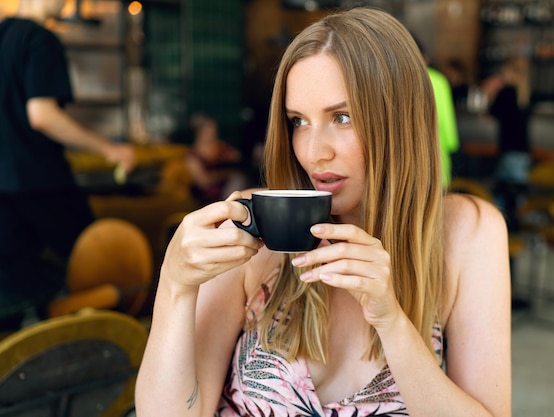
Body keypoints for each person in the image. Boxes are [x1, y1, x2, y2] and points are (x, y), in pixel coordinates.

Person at [136, 7, 511, 417]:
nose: (315, 153)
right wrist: (174, 285)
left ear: (400, 120)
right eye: (298, 121)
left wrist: (392, 323)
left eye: (342, 117)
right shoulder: (254, 224)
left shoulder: (467, 233)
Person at [0, 0, 136, 328]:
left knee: (13, 291)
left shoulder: (3, 34)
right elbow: (42, 115)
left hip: (4, 187)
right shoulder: (39, 39)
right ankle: (110, 345)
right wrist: (109, 148)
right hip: (40, 181)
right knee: (100, 264)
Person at [481, 57, 531, 232]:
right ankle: (513, 241)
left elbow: (489, 113)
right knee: (515, 199)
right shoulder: (525, 94)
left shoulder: (506, 92)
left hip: (509, 152)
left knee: (501, 198)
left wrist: (490, 92)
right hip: (523, 154)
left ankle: (502, 236)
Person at [411, 34, 459, 187]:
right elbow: (446, 121)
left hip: (408, 161)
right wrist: (452, 144)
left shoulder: (398, 78)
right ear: (424, 58)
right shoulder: (438, 80)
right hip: (437, 157)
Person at [185, 113, 250, 203]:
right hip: (206, 197)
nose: (213, 132)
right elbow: (203, 182)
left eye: (214, 128)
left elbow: (237, 157)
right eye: (208, 129)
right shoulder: (193, 155)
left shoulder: (221, 147)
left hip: (230, 188)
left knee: (240, 179)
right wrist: (225, 174)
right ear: (199, 132)